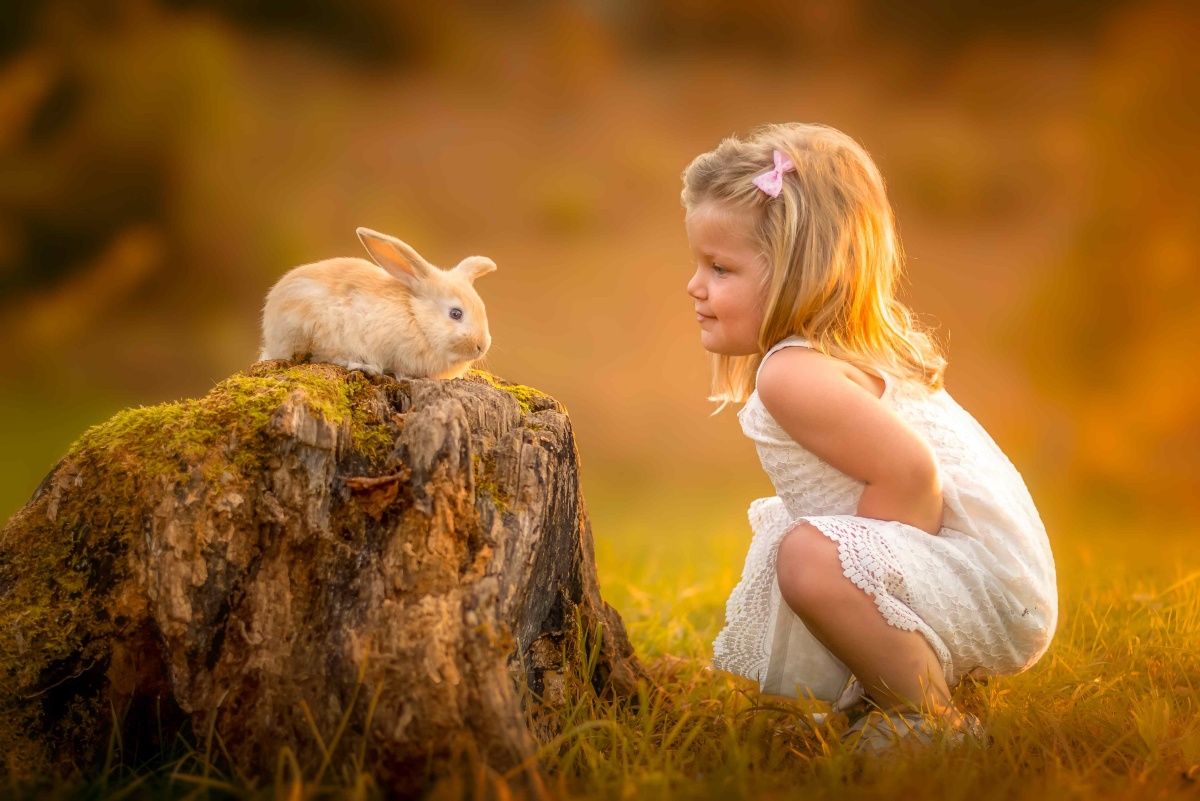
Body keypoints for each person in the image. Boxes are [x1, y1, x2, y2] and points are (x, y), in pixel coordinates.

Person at [682, 122, 1058, 754]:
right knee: (811, 548)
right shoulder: (831, 353)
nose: (695, 286)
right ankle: (904, 686)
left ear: (797, 273)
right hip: (1000, 580)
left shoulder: (793, 372)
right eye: (698, 264)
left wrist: (867, 575)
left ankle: (929, 717)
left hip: (986, 585)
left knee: (809, 555)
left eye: (720, 268)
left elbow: (914, 479)